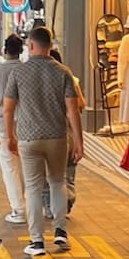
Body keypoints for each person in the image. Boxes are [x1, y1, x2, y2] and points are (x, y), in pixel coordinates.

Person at [3, 27, 83, 256]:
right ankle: (60, 233)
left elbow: (7, 109)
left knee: (33, 188)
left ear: (31, 46)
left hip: (28, 138)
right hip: (57, 136)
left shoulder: (18, 73)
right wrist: (79, 141)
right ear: (50, 46)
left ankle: (36, 241)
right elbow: (73, 110)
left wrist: (9, 136)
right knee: (58, 183)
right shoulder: (63, 72)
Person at [0, 35, 26, 224]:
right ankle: (33, 205)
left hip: (2, 124)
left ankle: (18, 209)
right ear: (22, 50)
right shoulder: (27, 70)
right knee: (29, 168)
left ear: (4, 50)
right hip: (27, 125)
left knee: (10, 169)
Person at [41, 49, 86, 218]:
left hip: (49, 132)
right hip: (69, 130)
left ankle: (49, 206)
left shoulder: (42, 80)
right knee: (69, 170)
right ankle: (67, 201)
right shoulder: (70, 78)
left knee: (47, 173)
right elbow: (81, 104)